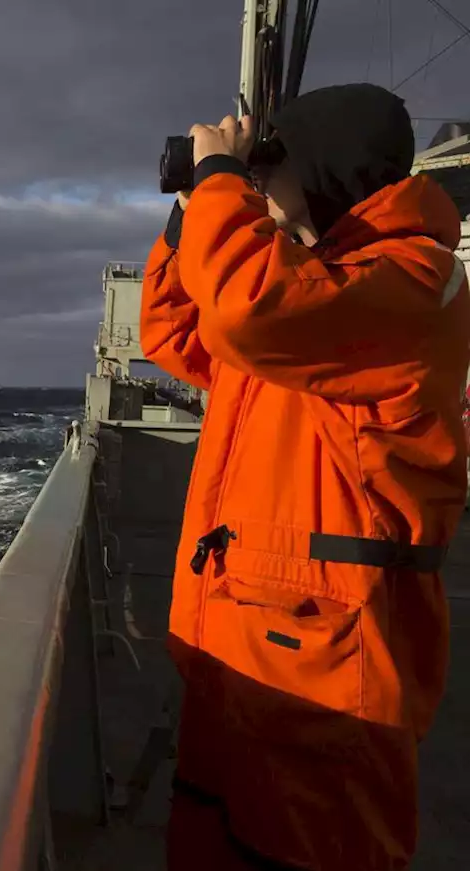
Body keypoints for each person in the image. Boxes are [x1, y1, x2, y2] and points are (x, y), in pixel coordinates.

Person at [140, 82, 471, 869]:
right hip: (250, 651)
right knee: (219, 840)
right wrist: (193, 204)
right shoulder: (319, 288)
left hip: (329, 669)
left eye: (269, 168)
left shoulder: (412, 283)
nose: (259, 187)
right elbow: (174, 330)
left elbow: (245, 310)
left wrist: (223, 179)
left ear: (324, 169)